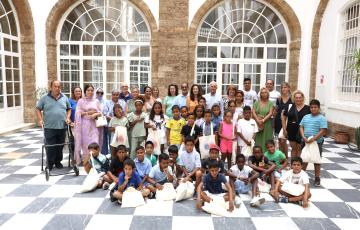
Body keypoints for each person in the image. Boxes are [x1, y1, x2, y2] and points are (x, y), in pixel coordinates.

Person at [36, 80, 71, 170]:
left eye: (59, 86)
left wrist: (67, 118)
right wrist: (40, 120)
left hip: (62, 127)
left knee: (60, 146)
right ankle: (50, 163)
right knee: (50, 146)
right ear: (51, 87)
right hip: (49, 127)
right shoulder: (44, 98)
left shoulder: (64, 97)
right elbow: (38, 109)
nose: (57, 88)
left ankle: (58, 162)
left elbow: (69, 109)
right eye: (55, 86)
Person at [299, 99, 327, 187]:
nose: (313, 109)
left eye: (315, 107)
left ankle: (317, 178)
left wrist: (314, 138)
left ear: (319, 108)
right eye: (311, 107)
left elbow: (323, 130)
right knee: (304, 159)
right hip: (306, 141)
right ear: (309, 108)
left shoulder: (322, 118)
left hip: (316, 142)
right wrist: (303, 136)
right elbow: (301, 127)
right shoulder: (306, 117)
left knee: (316, 160)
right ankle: (301, 176)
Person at [74, 84, 103, 164]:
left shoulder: (96, 101)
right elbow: (77, 113)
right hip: (84, 125)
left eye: (91, 90)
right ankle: (87, 161)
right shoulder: (81, 101)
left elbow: (101, 112)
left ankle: (95, 160)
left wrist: (96, 114)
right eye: (88, 90)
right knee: (85, 143)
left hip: (94, 125)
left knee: (95, 142)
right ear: (85, 92)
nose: (90, 92)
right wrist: (87, 113)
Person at [282, 90, 310, 157]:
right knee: (293, 149)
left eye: (300, 97)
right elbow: (283, 116)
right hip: (291, 130)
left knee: (300, 149)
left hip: (302, 131)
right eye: (296, 97)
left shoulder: (308, 108)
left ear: (303, 98)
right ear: (294, 98)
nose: (298, 99)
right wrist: (284, 129)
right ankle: (293, 165)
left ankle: (298, 166)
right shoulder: (289, 107)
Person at [103, 89, 126, 155]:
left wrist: (120, 119)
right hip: (111, 124)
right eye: (114, 95)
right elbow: (105, 113)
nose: (115, 96)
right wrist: (114, 119)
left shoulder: (122, 102)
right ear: (111, 95)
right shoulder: (107, 102)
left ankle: (121, 155)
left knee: (121, 142)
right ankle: (113, 156)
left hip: (121, 124)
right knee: (112, 142)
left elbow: (124, 112)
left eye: (117, 95)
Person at [252, 87, 274, 151]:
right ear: (260, 94)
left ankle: (267, 157)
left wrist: (263, 120)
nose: (264, 94)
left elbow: (270, 113)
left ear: (268, 94)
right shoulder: (256, 102)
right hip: (257, 124)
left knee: (267, 140)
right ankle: (258, 155)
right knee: (258, 140)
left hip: (267, 124)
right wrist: (257, 120)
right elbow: (253, 112)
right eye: (262, 93)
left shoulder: (270, 103)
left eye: (265, 92)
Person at [276, 82, 292, 156]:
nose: (283, 89)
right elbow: (276, 109)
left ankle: (285, 158)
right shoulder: (279, 99)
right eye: (282, 87)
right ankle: (281, 158)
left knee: (283, 140)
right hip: (278, 121)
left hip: (288, 121)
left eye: (285, 87)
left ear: (288, 88)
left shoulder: (292, 98)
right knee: (279, 140)